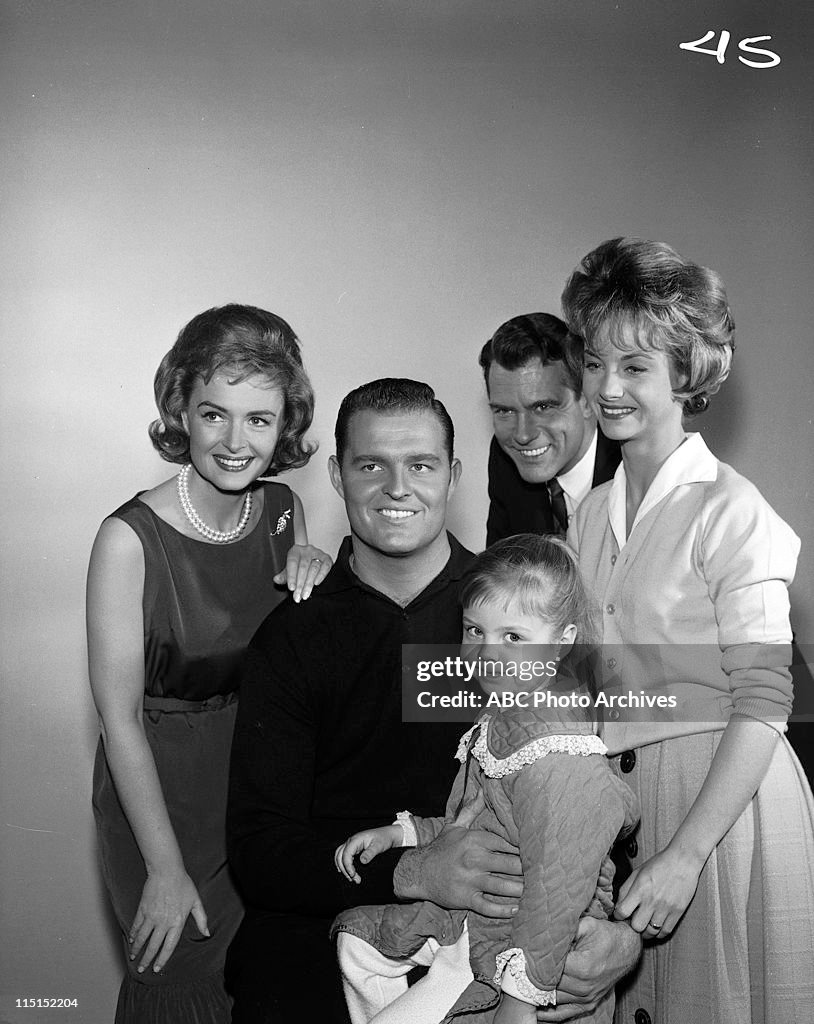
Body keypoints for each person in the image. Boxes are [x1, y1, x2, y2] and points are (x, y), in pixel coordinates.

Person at [561, 237, 814, 1024]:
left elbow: (765, 700)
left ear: (687, 371)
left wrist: (686, 855)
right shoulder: (587, 516)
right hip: (627, 807)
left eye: (635, 366)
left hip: (721, 812)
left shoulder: (731, 510)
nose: (607, 386)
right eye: (595, 362)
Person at [225, 379, 525, 1023]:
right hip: (322, 924)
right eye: (371, 466)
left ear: (454, 476)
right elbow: (259, 851)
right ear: (337, 476)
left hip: (495, 922)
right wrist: (414, 869)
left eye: (421, 465)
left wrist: (606, 929)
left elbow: (582, 779)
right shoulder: (292, 634)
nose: (397, 488)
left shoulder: (519, 617)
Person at [87, 305, 331, 1023]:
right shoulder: (127, 539)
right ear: (181, 412)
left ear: (284, 426)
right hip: (162, 805)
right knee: (177, 983)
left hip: (258, 791)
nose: (234, 441)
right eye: (214, 414)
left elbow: (295, 665)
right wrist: (163, 868)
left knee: (257, 982)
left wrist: (318, 574)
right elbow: (119, 722)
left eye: (259, 419)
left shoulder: (284, 512)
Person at [333, 534, 639, 1024]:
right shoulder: (503, 717)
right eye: (475, 630)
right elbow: (472, 821)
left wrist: (520, 1000)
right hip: (476, 916)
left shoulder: (557, 755)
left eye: (513, 637)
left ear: (562, 643)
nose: (488, 652)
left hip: (519, 940)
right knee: (358, 945)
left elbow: (556, 894)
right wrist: (402, 834)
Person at [480, 313, 620, 546]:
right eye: (505, 411)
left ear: (587, 401)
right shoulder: (505, 460)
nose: (523, 435)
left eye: (543, 407)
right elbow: (502, 564)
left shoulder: (633, 468)